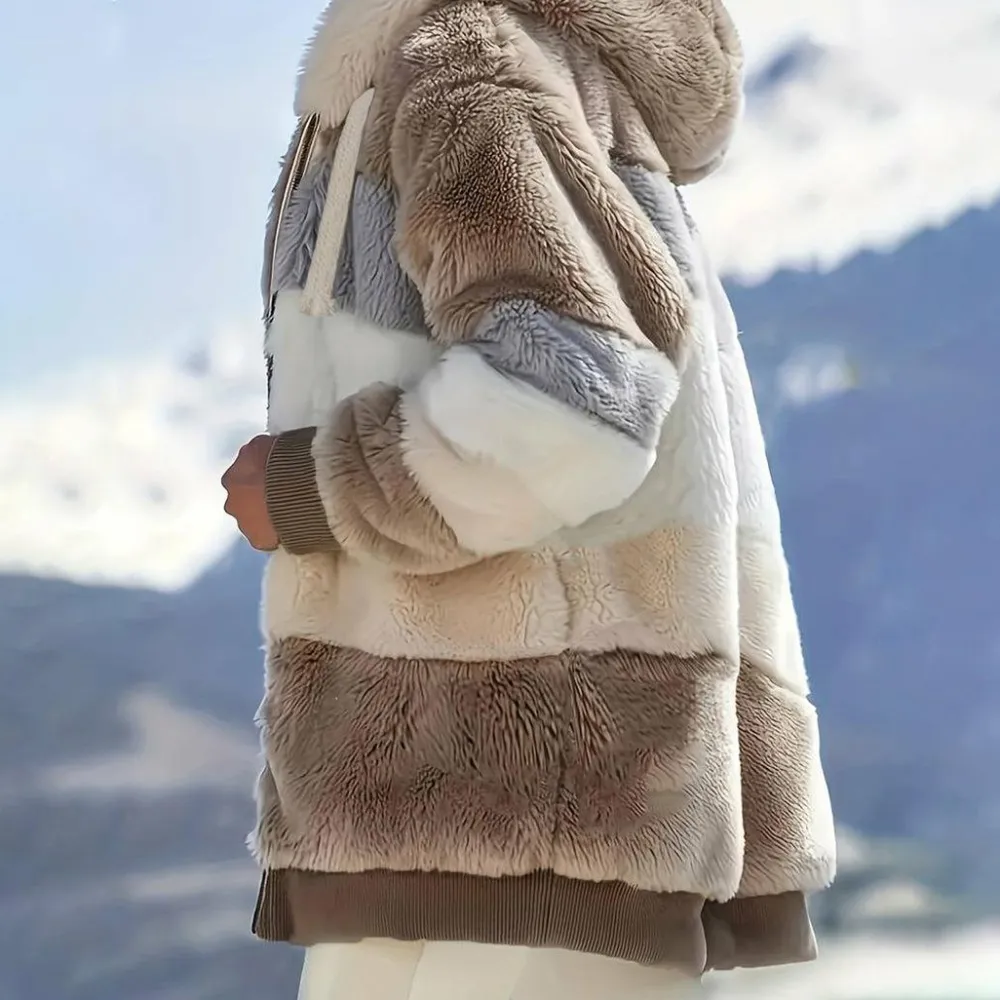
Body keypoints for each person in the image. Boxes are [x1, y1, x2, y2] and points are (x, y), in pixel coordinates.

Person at [221, 0, 837, 996]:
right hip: (473, 805)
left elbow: (576, 398)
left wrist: (314, 489)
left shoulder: (467, 61)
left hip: (531, 801)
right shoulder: (448, 63)